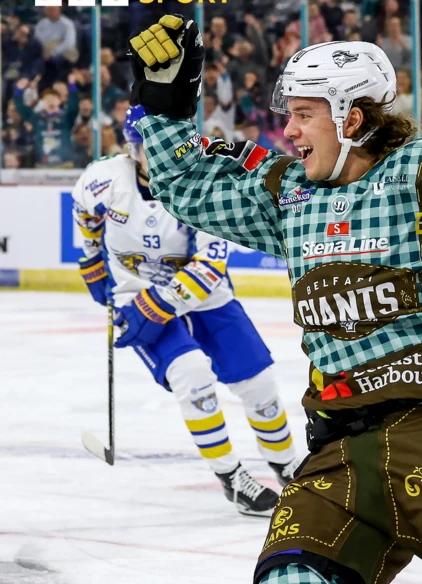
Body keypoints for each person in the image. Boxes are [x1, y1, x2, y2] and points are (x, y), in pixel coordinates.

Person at [128, 7, 422, 584]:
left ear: (351, 118)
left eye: (302, 114)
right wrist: (169, 102)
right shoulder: (285, 194)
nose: (287, 131)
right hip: (336, 450)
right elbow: (189, 187)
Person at [71, 105, 299, 516]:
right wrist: (91, 266)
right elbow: (86, 218)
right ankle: (231, 476)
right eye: (146, 147)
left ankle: (286, 464)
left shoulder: (201, 183)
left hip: (202, 295)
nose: (155, 156)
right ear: (131, 147)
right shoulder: (102, 180)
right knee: (190, 374)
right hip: (134, 289)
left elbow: (210, 265)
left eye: (166, 146)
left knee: (260, 383)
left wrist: (155, 306)